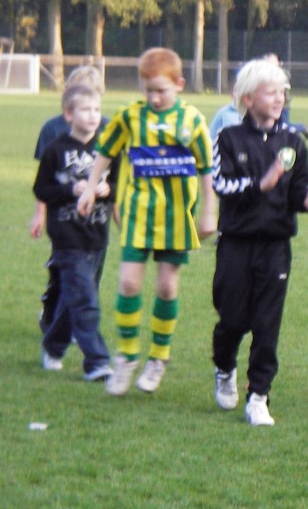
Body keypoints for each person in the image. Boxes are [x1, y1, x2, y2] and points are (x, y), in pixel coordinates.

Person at [76, 47, 216, 396]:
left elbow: (206, 168)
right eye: (148, 90)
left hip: (176, 219)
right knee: (128, 283)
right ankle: (126, 356)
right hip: (137, 215)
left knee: (167, 287)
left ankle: (158, 357)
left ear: (179, 84)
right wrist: (91, 188)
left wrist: (209, 211)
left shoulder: (192, 121)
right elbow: (105, 151)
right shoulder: (130, 117)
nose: (154, 97)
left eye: (161, 90)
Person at [210, 59, 308, 426]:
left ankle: (259, 395)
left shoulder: (292, 141)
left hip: (275, 245)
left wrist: (305, 200)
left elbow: (297, 188)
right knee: (232, 318)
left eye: (281, 92)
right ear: (248, 99)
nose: (278, 99)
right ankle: (224, 366)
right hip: (236, 243)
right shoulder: (228, 139)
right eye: (270, 92)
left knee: (267, 322)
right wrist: (261, 184)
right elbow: (221, 185)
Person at [33, 83, 118, 381]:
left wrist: (107, 190)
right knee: (86, 301)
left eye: (97, 109)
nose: (94, 115)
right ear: (68, 114)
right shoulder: (55, 150)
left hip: (96, 235)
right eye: (85, 110)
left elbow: (119, 186)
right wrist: (72, 189)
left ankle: (53, 346)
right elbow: (41, 189)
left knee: (76, 298)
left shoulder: (108, 150)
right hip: (67, 237)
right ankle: (97, 361)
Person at [30, 65, 107, 333]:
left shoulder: (108, 128)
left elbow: (115, 174)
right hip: (62, 216)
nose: (91, 113)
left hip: (97, 218)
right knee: (65, 268)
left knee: (92, 270)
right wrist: (39, 214)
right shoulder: (52, 129)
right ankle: (53, 311)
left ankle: (77, 321)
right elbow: (45, 179)